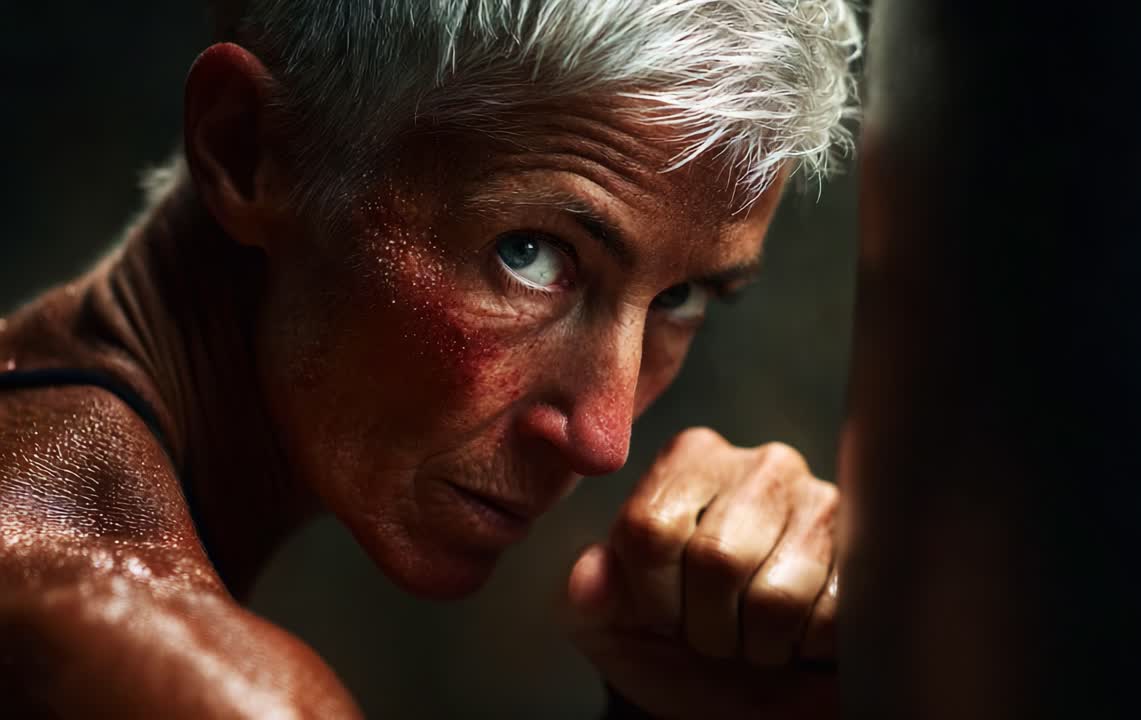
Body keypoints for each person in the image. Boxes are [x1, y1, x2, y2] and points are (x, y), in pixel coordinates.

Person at [0, 1, 860, 717]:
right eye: (532, 253)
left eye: (682, 299)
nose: (603, 439)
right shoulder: (203, 691)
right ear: (250, 148)